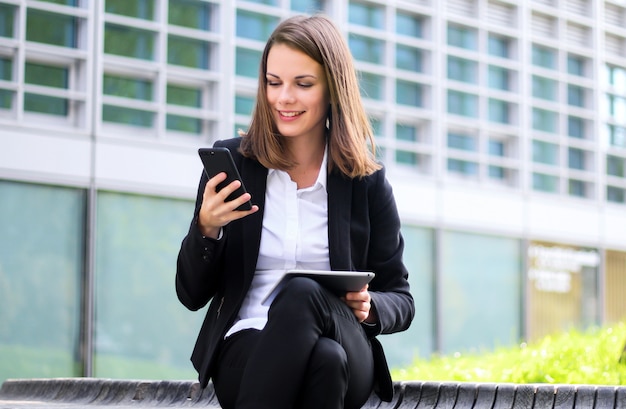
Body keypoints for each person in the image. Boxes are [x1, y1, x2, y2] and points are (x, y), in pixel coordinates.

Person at [176, 14, 414, 409]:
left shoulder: (365, 182)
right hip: (248, 344)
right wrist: (207, 229)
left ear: (333, 90)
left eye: (303, 84)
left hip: (345, 337)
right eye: (274, 83)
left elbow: (401, 299)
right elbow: (190, 294)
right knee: (324, 362)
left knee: (304, 295)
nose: (284, 98)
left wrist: (371, 307)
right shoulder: (234, 165)